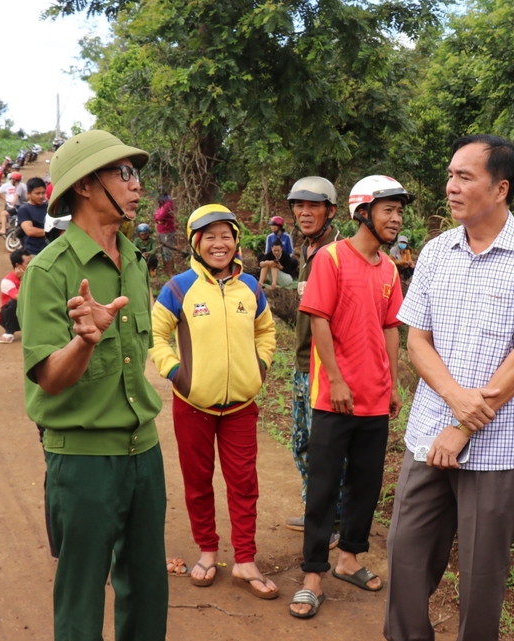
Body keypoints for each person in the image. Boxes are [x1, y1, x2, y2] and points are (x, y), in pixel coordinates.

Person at [385, 135, 514, 641]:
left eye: (465, 177)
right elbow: (417, 340)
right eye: (450, 175)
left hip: (498, 447)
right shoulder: (438, 251)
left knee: (481, 578)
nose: (451, 186)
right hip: (428, 435)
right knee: (405, 556)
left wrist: (465, 423)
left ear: (501, 188)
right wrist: (455, 404)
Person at [16, 129, 168, 641]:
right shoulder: (49, 271)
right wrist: (85, 341)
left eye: (136, 173)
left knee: (147, 589)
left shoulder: (135, 261)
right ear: (84, 185)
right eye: (123, 173)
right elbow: (51, 381)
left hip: (143, 452)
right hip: (81, 462)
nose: (136, 184)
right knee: (81, 595)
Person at [289, 175, 408, 619]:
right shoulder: (332, 259)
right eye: (388, 210)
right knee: (323, 487)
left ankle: (349, 559)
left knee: (366, 484)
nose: (396, 218)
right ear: (363, 213)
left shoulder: (389, 269)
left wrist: (393, 382)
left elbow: (391, 327)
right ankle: (313, 576)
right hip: (333, 398)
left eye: (398, 211)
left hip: (375, 399)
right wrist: (335, 379)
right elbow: (319, 320)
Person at [150, 204, 278, 599]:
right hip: (193, 407)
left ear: (236, 240)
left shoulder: (251, 288)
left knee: (244, 483)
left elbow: (266, 332)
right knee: (197, 482)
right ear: (195, 242)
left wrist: (258, 369)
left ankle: (244, 560)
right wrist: (177, 374)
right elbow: (156, 336)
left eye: (226, 235)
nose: (219, 244)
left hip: (241, 406)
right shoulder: (178, 288)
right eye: (210, 237)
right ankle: (207, 551)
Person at [283, 176, 344, 537]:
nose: (304, 212)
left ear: (331, 211)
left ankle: (333, 518)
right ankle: (315, 507)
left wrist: (337, 373)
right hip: (302, 364)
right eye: (299, 206)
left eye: (313, 206)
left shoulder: (337, 252)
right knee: (302, 443)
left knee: (326, 448)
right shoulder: (305, 250)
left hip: (326, 367)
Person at [0, 247, 31, 343]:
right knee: (13, 303)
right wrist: (22, 280)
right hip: (11, 318)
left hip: (28, 315)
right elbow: (20, 298)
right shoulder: (7, 281)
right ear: (18, 265)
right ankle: (9, 332)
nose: (31, 265)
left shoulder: (33, 275)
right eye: (28, 263)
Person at [17, 177, 49, 256]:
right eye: (37, 193)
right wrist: (53, 232)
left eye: (43, 193)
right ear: (28, 194)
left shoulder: (49, 207)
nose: (41, 196)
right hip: (34, 252)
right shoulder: (24, 209)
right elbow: (30, 231)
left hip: (50, 250)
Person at [0, 171, 26, 236]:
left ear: (14, 179)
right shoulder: (22, 186)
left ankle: (4, 230)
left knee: (4, 214)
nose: (11, 180)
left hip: (18, 207)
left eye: (12, 179)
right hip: (22, 206)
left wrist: (12, 202)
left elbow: (16, 197)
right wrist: (5, 199)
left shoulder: (19, 187)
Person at [154, 192, 177, 276]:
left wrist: (159, 218)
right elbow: (156, 217)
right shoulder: (162, 206)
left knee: (167, 251)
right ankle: (166, 271)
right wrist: (158, 219)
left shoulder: (168, 204)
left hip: (167, 231)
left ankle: (171, 272)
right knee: (163, 251)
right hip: (161, 231)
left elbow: (160, 217)